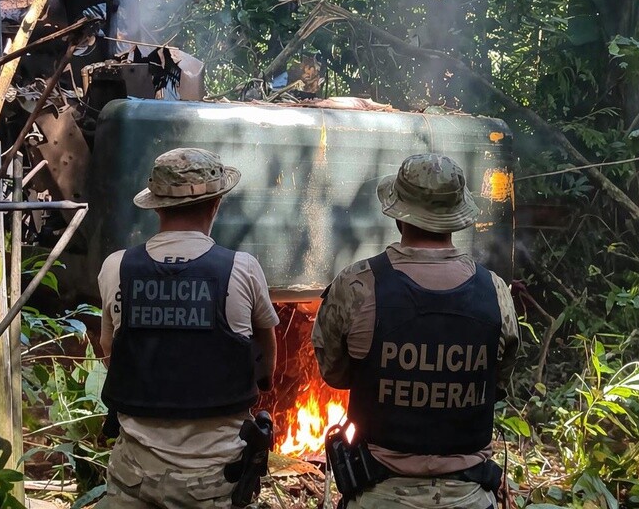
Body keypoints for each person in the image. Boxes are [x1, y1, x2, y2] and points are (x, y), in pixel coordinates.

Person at [312, 153, 519, 509]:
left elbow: (334, 373)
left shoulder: (357, 285)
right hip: (469, 497)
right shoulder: (495, 291)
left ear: (398, 215)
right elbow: (496, 382)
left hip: (378, 495)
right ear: (456, 219)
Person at [98, 147, 279, 508]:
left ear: (156, 206)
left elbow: (110, 354)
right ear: (216, 204)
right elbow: (265, 364)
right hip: (213, 483)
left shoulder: (116, 267)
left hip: (132, 477)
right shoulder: (241, 269)